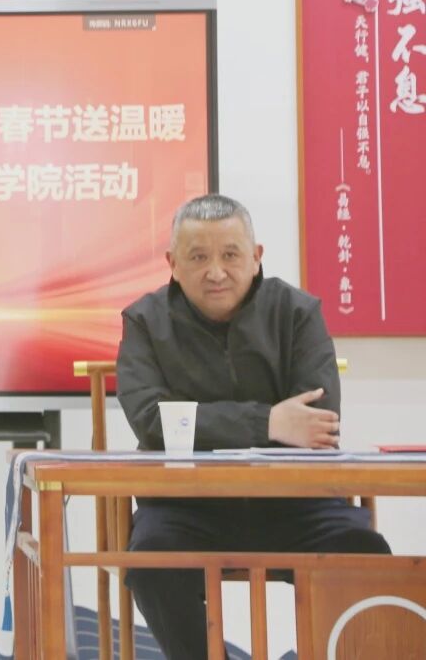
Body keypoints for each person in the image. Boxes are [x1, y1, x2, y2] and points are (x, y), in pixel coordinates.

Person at [116, 193, 389, 659]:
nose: (215, 272)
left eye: (230, 255)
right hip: (186, 507)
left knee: (365, 552)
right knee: (150, 562)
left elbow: (318, 422)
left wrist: (203, 421)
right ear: (172, 264)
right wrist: (270, 421)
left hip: (295, 504)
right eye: (198, 257)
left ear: (257, 256)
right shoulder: (144, 320)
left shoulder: (297, 312)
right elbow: (152, 421)